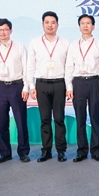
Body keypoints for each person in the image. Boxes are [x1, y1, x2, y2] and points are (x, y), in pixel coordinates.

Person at [0, 18, 31, 164]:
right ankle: (5, 153)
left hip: (17, 86)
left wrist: (26, 87)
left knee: (21, 121)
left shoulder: (19, 47)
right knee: (2, 122)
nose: (2, 32)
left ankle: (23, 152)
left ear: (11, 30)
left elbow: (26, 69)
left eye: (5, 29)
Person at [27, 11, 70, 163]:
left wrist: (69, 86)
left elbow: (68, 67)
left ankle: (61, 150)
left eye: (53, 22)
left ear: (57, 25)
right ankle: (46, 150)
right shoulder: (35, 42)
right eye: (47, 22)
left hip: (59, 83)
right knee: (45, 119)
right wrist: (31, 86)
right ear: (42, 24)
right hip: (41, 84)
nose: (50, 25)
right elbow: (30, 65)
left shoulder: (65, 43)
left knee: (59, 119)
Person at [64, 14, 99, 162]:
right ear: (79, 27)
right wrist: (69, 86)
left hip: (94, 82)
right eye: (83, 23)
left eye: (88, 23)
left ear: (93, 26)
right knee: (80, 118)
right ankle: (81, 151)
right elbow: (69, 67)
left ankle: (96, 151)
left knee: (95, 117)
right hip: (78, 83)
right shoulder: (73, 45)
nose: (85, 26)